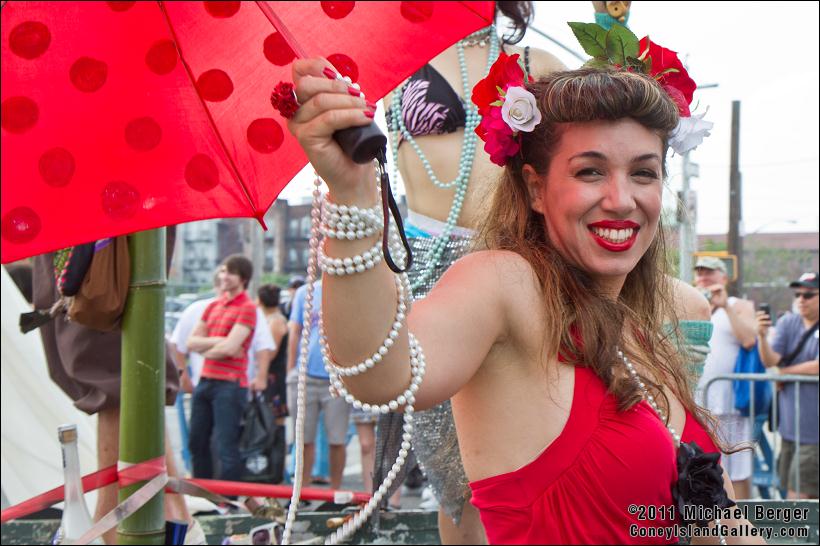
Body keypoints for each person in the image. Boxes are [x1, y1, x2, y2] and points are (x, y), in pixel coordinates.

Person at [286, 48, 764, 542]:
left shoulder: (657, 323)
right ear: (535, 189)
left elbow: (717, 517)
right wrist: (353, 195)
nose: (622, 199)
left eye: (643, 173)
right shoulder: (507, 285)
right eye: (590, 172)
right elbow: (379, 375)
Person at [379, 3, 565, 541]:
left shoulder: (540, 63)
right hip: (428, 272)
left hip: (521, 269)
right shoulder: (389, 64)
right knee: (454, 477)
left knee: (528, 449)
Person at [31, 233, 201, 545]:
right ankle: (169, 513)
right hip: (95, 222)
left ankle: (123, 520)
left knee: (107, 356)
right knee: (105, 359)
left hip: (106, 219)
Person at [186, 254, 257, 484]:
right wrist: (221, 343)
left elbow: (231, 347)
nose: (223, 276)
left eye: (230, 272)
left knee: (226, 445)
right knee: (196, 442)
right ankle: (205, 495)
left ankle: (229, 499)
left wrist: (210, 345)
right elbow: (191, 343)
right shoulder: (213, 306)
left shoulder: (247, 308)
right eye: (223, 271)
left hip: (230, 384)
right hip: (205, 380)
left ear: (243, 278)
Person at [694, 256, 757, 500]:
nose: (704, 277)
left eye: (709, 272)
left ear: (723, 276)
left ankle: (741, 526)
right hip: (699, 402)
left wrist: (725, 306)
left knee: (738, 470)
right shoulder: (694, 304)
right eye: (700, 272)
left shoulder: (739, 304)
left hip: (731, 403)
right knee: (703, 470)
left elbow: (749, 340)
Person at [756, 272, 819, 499]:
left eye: (809, 294)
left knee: (797, 497)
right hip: (790, 428)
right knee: (796, 492)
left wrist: (783, 373)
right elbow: (770, 360)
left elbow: (817, 367)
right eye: (798, 294)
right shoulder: (787, 321)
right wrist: (762, 336)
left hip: (815, 432)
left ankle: (798, 536)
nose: (801, 299)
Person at [286, 280, 351, 491]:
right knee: (303, 439)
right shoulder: (306, 292)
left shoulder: (347, 290)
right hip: (305, 375)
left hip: (336, 377)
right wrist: (292, 369)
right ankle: (302, 491)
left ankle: (335, 491)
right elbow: (295, 331)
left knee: (337, 439)